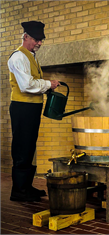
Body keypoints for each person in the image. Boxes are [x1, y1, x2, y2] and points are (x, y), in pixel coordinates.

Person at [8, 21, 60, 202]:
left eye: (41, 40)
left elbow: (33, 82)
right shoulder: (18, 57)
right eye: (37, 39)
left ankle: (25, 187)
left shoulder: (31, 56)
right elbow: (26, 85)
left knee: (29, 146)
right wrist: (48, 84)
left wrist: (46, 87)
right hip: (22, 108)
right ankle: (19, 191)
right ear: (26, 37)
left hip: (31, 108)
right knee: (22, 147)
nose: (39, 43)